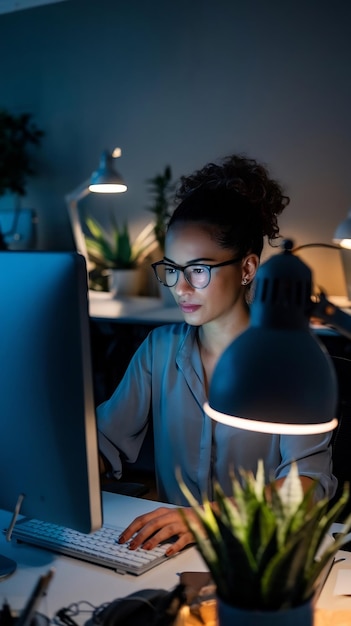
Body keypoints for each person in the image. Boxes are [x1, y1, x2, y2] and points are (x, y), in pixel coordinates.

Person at [97, 153, 337, 556]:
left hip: (260, 556)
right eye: (172, 269)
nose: (180, 288)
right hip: (171, 554)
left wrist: (208, 518)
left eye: (199, 270)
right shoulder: (158, 350)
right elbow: (103, 442)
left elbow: (308, 485)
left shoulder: (291, 362)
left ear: (247, 268)